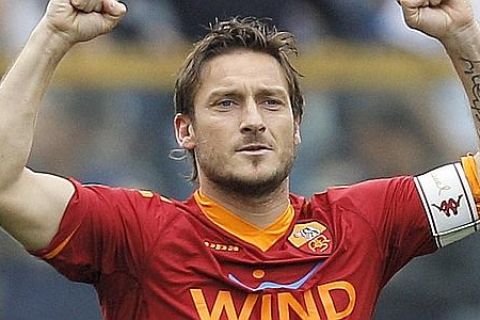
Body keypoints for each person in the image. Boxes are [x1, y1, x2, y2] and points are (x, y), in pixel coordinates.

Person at [1, 0, 480, 319]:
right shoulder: (134, 231)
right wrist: (53, 35)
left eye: (271, 102)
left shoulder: (363, 223)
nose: (253, 119)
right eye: (226, 102)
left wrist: (462, 34)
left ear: (297, 128)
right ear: (184, 130)